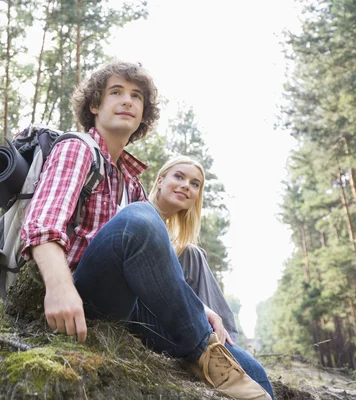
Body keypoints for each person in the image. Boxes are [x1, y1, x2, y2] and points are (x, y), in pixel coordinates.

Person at [20, 60, 272, 400]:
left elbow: (155, 268)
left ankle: (205, 348)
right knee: (140, 219)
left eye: (136, 96)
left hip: (127, 307)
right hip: (82, 292)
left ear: (143, 113)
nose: (127, 101)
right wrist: (60, 286)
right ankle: (202, 348)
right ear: (95, 105)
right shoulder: (77, 148)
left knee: (255, 376)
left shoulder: (131, 183)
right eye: (116, 92)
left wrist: (199, 308)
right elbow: (42, 224)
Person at [149, 155, 274, 397]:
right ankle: (219, 343)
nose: (187, 185)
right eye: (179, 176)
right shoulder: (137, 215)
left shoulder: (174, 237)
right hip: (145, 312)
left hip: (176, 312)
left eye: (195, 184)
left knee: (192, 252)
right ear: (160, 180)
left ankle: (223, 340)